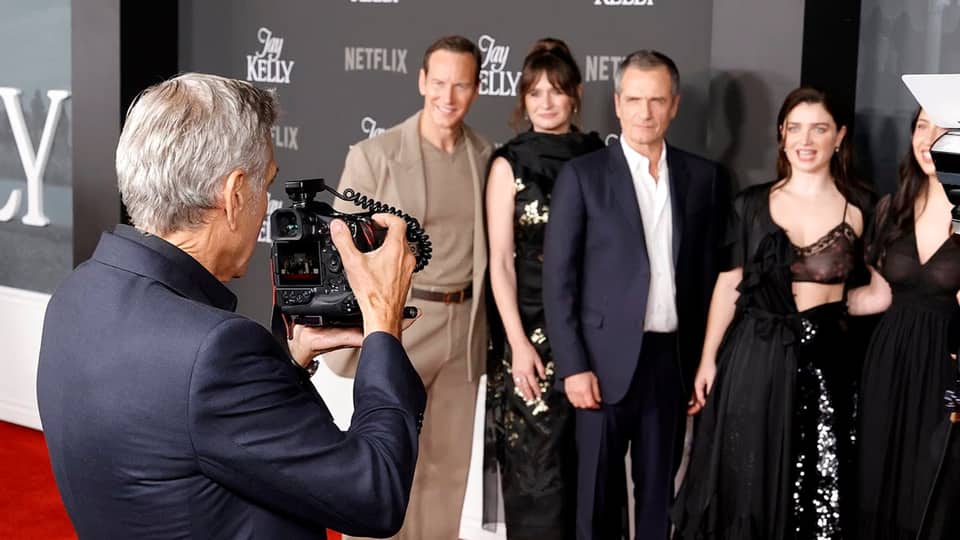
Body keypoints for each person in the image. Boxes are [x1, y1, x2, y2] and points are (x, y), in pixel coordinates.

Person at [36, 73, 427, 539]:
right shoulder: (215, 352)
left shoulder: (76, 295)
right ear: (235, 193)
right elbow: (375, 495)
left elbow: (184, 428)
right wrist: (383, 323)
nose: (268, 207)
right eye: (267, 184)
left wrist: (287, 362)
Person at [543, 50, 730, 539]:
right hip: (599, 366)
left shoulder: (704, 179)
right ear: (618, 104)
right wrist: (573, 366)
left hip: (670, 361)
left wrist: (702, 360)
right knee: (596, 500)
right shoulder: (582, 177)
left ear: (674, 105)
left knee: (658, 496)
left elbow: (713, 275)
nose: (645, 112)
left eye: (656, 100)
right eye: (635, 100)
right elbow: (558, 281)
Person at [672, 87, 871, 539]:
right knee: (745, 476)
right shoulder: (750, 204)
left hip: (824, 366)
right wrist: (708, 359)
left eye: (819, 128)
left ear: (838, 137)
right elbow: (728, 285)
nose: (806, 139)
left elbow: (875, 289)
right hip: (753, 358)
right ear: (781, 136)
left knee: (812, 486)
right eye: (795, 128)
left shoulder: (858, 210)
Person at [323, 35, 492, 540]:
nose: (448, 96)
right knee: (387, 459)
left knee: (448, 470)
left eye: (460, 85)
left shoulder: (487, 156)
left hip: (463, 329)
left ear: (477, 89)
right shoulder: (376, 155)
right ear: (421, 82)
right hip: (402, 320)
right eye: (438, 83)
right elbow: (341, 250)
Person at [483, 38, 603, 539]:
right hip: (528, 333)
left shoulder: (600, 156)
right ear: (523, 100)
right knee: (536, 471)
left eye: (556, 91)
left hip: (594, 330)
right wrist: (516, 345)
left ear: (575, 95)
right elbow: (501, 263)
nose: (547, 102)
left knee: (590, 470)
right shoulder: (509, 163)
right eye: (535, 93)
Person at [848, 107, 960, 539]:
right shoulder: (889, 209)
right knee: (878, 482)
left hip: (945, 370)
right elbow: (878, 295)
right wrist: (810, 305)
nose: (927, 139)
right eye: (920, 126)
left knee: (931, 492)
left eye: (943, 129)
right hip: (888, 361)